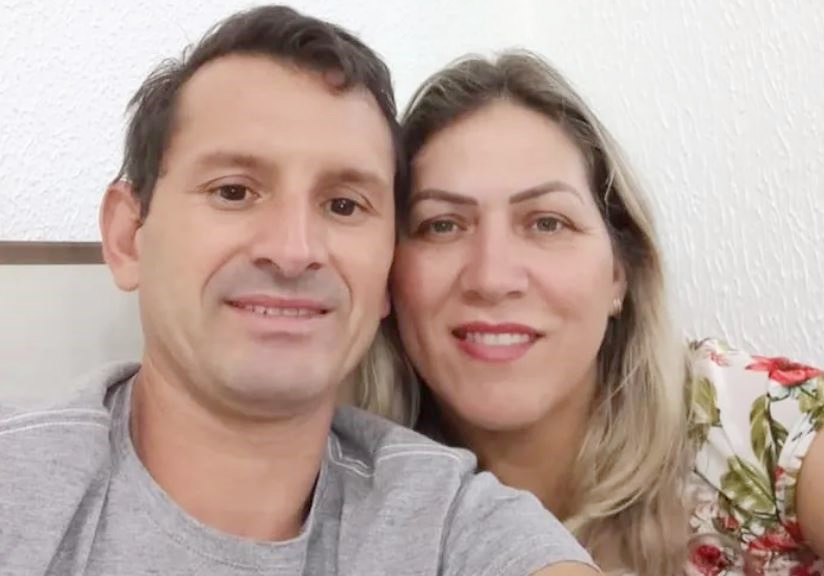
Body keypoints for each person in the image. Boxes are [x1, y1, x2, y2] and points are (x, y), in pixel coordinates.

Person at [0, 9, 599, 576]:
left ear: (386, 273)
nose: (293, 250)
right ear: (128, 237)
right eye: (234, 191)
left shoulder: (452, 521)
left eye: (344, 205)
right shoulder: (21, 486)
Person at [386, 50, 824, 575]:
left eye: (546, 223)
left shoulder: (756, 426)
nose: (492, 278)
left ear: (620, 272)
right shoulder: (344, 490)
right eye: (441, 225)